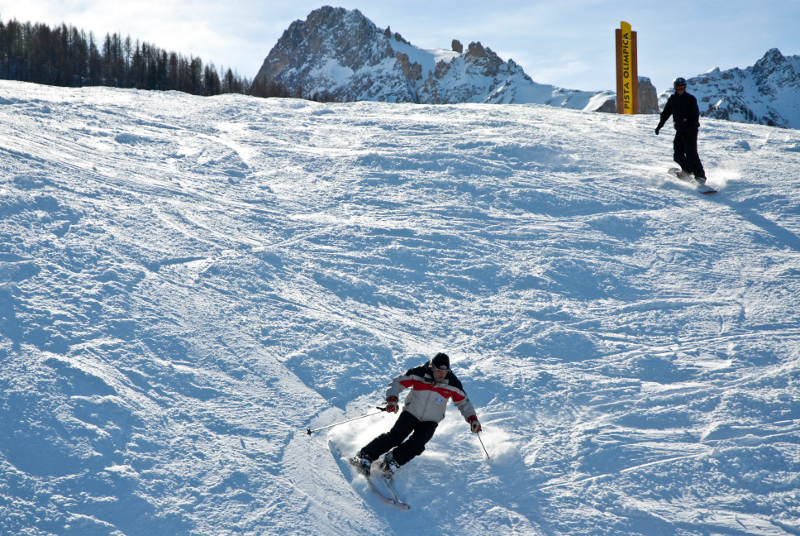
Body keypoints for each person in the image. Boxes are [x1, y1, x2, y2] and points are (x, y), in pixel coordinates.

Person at [354, 352, 481, 479]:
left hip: (431, 420)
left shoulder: (452, 383)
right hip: (411, 412)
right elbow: (396, 383)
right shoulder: (419, 373)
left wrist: (472, 419)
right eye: (439, 371)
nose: (442, 374)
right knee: (395, 437)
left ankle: (392, 460)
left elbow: (464, 402)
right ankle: (365, 455)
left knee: (417, 445)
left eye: (445, 371)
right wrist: (392, 400)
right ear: (432, 367)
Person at [655, 77, 707, 184]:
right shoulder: (673, 99)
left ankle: (700, 176)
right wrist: (660, 125)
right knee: (677, 155)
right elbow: (666, 113)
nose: (680, 90)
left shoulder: (690, 99)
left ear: (685, 87)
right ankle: (687, 172)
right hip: (680, 131)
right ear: (675, 88)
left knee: (691, 153)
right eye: (678, 88)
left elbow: (694, 117)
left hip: (690, 131)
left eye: (682, 87)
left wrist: (690, 129)